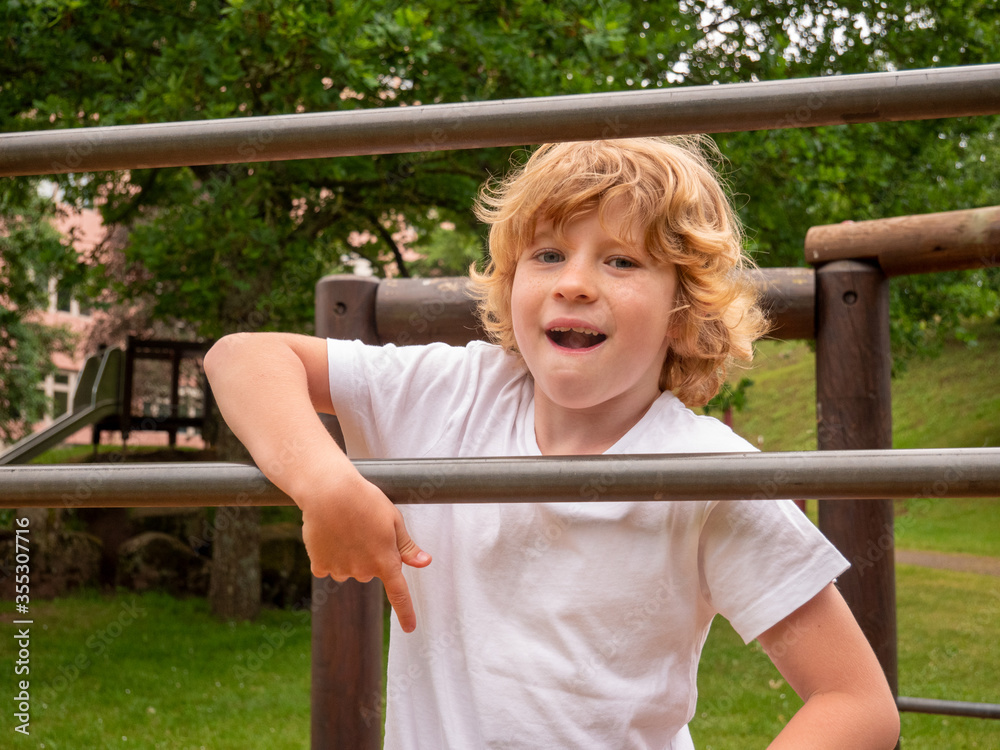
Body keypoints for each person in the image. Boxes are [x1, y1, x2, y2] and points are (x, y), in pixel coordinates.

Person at [204, 136, 900, 749]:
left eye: (621, 261)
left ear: (682, 311)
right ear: (512, 285)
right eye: (548, 254)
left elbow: (856, 702)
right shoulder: (454, 393)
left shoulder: (709, 474)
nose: (573, 283)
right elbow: (243, 358)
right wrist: (325, 482)